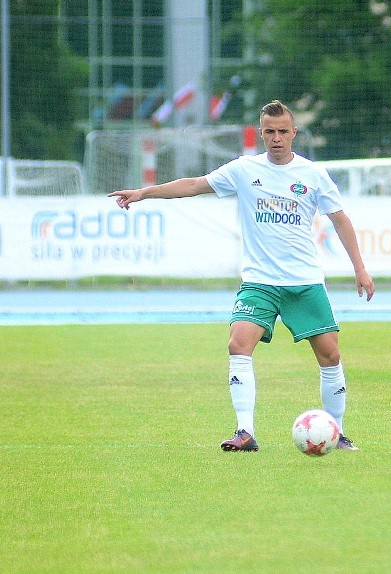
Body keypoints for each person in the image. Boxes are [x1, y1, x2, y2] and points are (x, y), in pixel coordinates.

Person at [109, 100, 375, 451]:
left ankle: (337, 432)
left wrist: (359, 268)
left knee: (330, 356)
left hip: (303, 282)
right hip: (259, 282)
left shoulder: (313, 174)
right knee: (238, 344)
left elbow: (340, 219)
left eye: (283, 131)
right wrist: (145, 192)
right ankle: (245, 432)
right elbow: (193, 184)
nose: (276, 138)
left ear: (294, 133)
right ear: (261, 133)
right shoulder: (244, 169)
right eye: (269, 132)